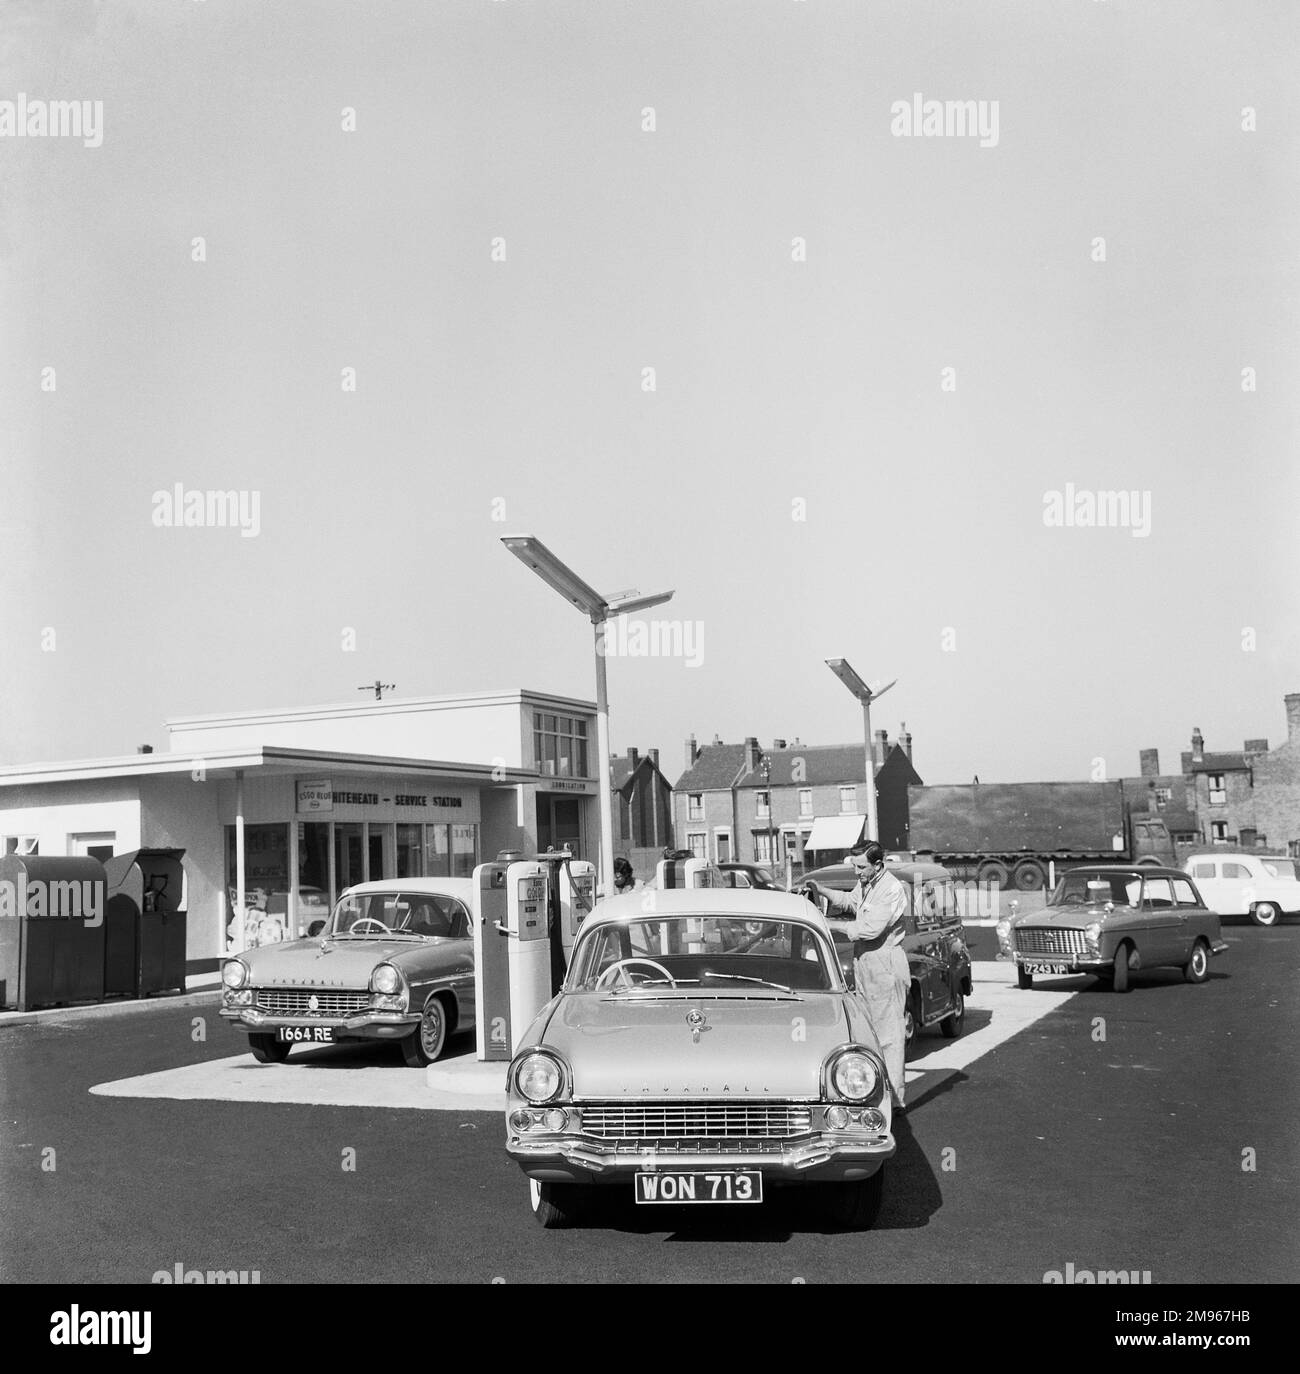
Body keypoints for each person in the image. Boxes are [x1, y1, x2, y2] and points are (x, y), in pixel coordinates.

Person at [802, 841, 910, 1112]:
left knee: (889, 1035)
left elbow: (870, 929)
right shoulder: (867, 883)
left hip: (884, 963)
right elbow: (850, 902)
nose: (856, 872)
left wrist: (828, 924)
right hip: (865, 963)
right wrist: (822, 890)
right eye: (854, 866)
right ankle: (871, 1090)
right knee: (868, 1031)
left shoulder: (892, 889)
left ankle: (895, 1100)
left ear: (878, 865)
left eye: (861, 867)